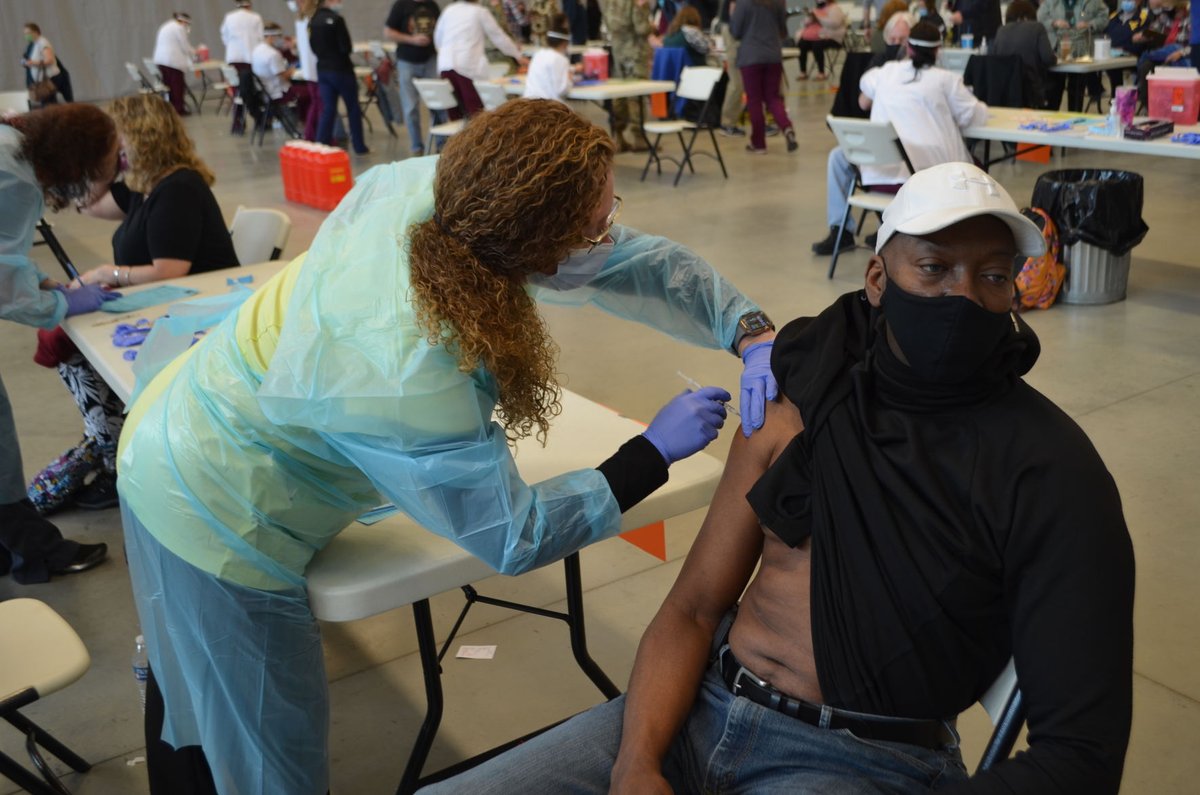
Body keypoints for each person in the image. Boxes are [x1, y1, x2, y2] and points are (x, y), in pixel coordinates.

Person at [118, 98, 778, 795]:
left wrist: (748, 327)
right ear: (534, 240)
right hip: (213, 498)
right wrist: (646, 453)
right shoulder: (407, 363)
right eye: (595, 225)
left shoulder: (460, 194)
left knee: (194, 696)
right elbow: (513, 532)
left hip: (181, 416)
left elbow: (633, 262)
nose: (609, 234)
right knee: (258, 754)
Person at [421, 160, 1136, 795]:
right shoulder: (807, 402)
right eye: (935, 267)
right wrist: (636, 764)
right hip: (693, 709)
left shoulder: (1047, 469)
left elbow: (1081, 756)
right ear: (879, 279)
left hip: (861, 759)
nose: (964, 298)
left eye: (992, 275)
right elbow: (694, 609)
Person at [26, 95, 241, 516]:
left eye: (115, 138)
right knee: (72, 349)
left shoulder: (178, 187)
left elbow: (169, 269)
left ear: (137, 135)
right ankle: (109, 446)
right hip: (169, 307)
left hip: (195, 312)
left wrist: (110, 273)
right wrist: (91, 173)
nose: (112, 147)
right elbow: (88, 202)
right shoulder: (145, 185)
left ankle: (112, 452)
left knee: (82, 356)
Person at [0, 104, 119, 583]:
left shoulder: (12, 149)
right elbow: (3, 279)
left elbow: (6, 255)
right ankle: (36, 553)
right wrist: (60, 306)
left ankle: (18, 547)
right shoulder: (16, 180)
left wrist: (44, 281)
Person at [813, 21, 988, 254]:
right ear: (937, 50)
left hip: (878, 177)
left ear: (908, 47)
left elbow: (863, 97)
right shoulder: (946, 79)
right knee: (975, 165)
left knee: (838, 155)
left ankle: (842, 230)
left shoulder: (884, 73)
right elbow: (975, 116)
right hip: (925, 180)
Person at [434, 0, 529, 118]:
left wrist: (444, 55)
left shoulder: (449, 10)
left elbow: (438, 37)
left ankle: (457, 136)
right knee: (476, 114)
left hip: (445, 65)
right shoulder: (480, 12)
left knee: (455, 116)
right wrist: (518, 56)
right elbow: (498, 37)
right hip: (466, 68)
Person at [731, 0, 798, 154]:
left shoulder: (744, 3)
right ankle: (787, 127)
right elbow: (783, 30)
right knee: (773, 98)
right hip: (773, 54)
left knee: (754, 100)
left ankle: (759, 143)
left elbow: (735, 32)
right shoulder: (777, 2)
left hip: (751, 56)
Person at [385, 0, 446, 156]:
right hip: (407, 61)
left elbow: (440, 29)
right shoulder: (400, 5)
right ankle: (416, 147)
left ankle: (442, 144)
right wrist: (412, 39)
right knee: (411, 106)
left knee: (438, 104)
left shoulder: (432, 5)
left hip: (430, 59)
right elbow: (388, 32)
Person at [310, 0, 370, 155]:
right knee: (353, 108)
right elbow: (346, 47)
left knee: (328, 109)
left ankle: (321, 146)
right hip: (341, 70)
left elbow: (313, 47)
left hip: (323, 70)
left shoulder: (313, 21)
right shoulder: (337, 20)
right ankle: (359, 146)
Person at [601, 0, 656, 151]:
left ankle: (617, 135)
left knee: (620, 95)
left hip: (619, 51)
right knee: (636, 96)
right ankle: (639, 137)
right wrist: (649, 22)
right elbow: (641, 28)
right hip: (636, 52)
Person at [1038, 0, 1108, 108]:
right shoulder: (1050, 2)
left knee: (1076, 89)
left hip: (1082, 49)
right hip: (1057, 49)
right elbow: (1041, 17)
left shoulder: (1094, 2)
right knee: (1054, 90)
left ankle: (1075, 116)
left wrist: (1090, 24)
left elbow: (1104, 18)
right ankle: (1050, 116)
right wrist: (1054, 23)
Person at [992, 0, 1057, 108]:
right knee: (1057, 80)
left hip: (1005, 90)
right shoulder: (1037, 28)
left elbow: (995, 58)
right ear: (1030, 14)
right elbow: (1048, 58)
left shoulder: (1001, 30)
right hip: (1030, 89)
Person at [251, 21, 309, 132]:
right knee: (309, 93)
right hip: (278, 91)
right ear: (272, 36)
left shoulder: (256, 50)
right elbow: (284, 76)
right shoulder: (272, 54)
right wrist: (293, 69)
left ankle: (303, 122)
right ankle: (305, 123)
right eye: (279, 36)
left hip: (265, 90)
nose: (280, 40)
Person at [221, 0, 265, 134]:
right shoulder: (255, 17)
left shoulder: (229, 17)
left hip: (233, 58)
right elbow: (261, 38)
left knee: (237, 93)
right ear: (249, 4)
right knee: (251, 91)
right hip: (250, 58)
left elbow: (225, 37)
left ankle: (238, 122)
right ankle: (259, 118)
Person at [290, 0, 323, 141]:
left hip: (309, 69)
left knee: (316, 103)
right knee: (319, 105)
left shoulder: (301, 19)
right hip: (316, 68)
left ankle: (312, 135)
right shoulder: (312, 20)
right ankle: (312, 135)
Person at [524, 14, 579, 99]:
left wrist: (572, 69)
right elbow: (561, 90)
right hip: (548, 106)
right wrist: (569, 79)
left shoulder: (538, 54)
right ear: (565, 43)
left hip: (529, 103)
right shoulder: (561, 59)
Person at [715, 0, 748, 137]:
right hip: (733, 32)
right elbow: (733, 12)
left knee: (739, 82)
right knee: (736, 82)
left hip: (733, 30)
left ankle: (730, 122)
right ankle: (727, 123)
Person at [153, 11, 195, 116]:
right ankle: (178, 110)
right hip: (172, 62)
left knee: (169, 86)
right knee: (177, 86)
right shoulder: (179, 28)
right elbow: (184, 45)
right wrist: (195, 51)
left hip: (162, 61)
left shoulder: (166, 26)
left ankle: (170, 108)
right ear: (185, 22)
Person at [1104, 0, 1150, 94]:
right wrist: (1128, 38)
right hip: (1113, 55)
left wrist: (1124, 44)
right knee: (1111, 66)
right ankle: (1116, 97)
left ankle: (1121, 97)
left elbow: (1140, 42)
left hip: (1134, 55)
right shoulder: (1114, 16)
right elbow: (1108, 36)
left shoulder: (1144, 18)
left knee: (1115, 66)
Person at [795, 0, 848, 80]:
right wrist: (810, 19)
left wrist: (818, 17)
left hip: (832, 37)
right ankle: (803, 72)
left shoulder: (835, 8)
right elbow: (803, 23)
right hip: (816, 36)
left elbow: (834, 24)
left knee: (817, 45)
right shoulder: (815, 9)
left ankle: (821, 72)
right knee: (802, 44)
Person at [22, 23, 72, 104]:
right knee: (49, 105)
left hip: (50, 79)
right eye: (25, 33)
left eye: (28, 33)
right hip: (43, 80)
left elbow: (50, 60)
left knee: (49, 105)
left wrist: (32, 63)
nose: (26, 35)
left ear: (36, 32)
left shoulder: (43, 43)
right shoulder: (34, 44)